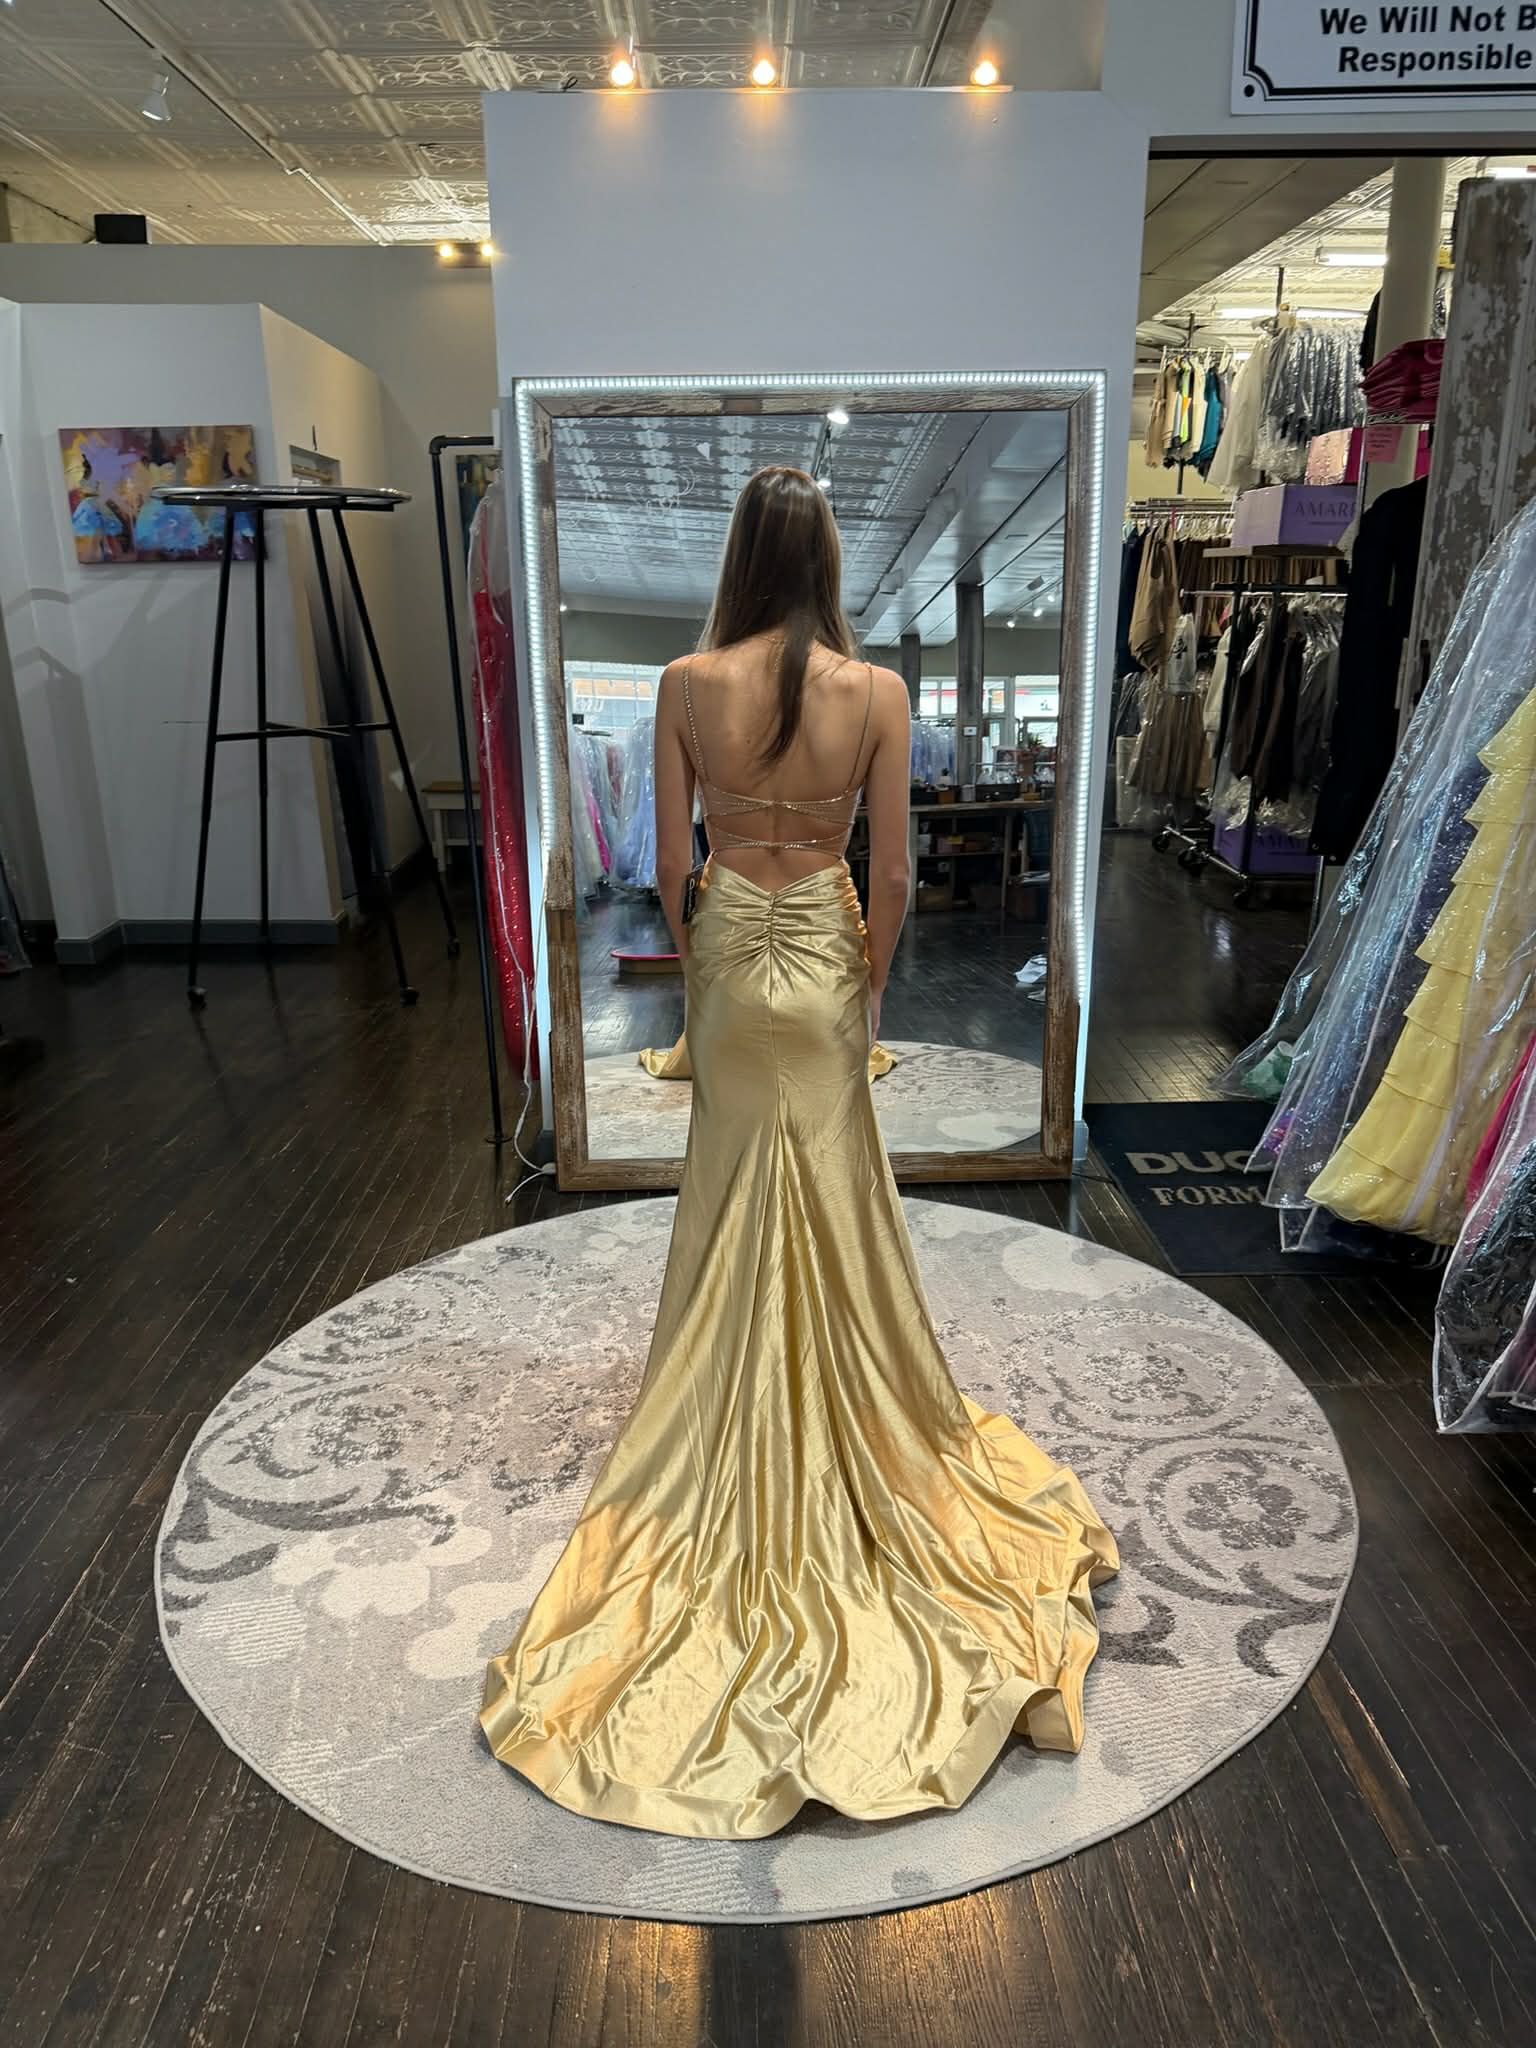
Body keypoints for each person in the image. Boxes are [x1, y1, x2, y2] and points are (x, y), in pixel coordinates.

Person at [481, 466, 1116, 1839]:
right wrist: (862, 986)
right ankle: (852, 1396)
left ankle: (726, 1390)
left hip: (727, 954)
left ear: (737, 560)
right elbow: (892, 877)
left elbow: (668, 868)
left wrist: (716, 957)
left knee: (725, 1192)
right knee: (836, 1191)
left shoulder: (682, 684)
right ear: (824, 559)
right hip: (825, 953)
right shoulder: (875, 694)